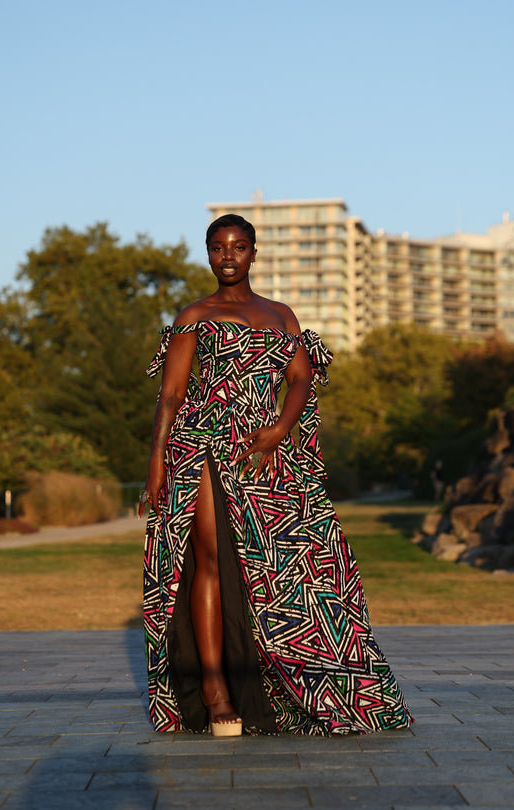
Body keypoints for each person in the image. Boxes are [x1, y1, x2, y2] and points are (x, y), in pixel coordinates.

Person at [140, 214, 413, 736]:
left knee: (289, 571)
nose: (227, 256)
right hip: (202, 450)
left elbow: (301, 379)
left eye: (238, 247)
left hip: (268, 456)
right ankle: (215, 689)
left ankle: (298, 683)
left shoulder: (280, 315)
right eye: (217, 247)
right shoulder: (194, 315)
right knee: (210, 560)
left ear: (254, 253)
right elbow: (171, 395)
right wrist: (156, 462)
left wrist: (278, 432)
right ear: (207, 254)